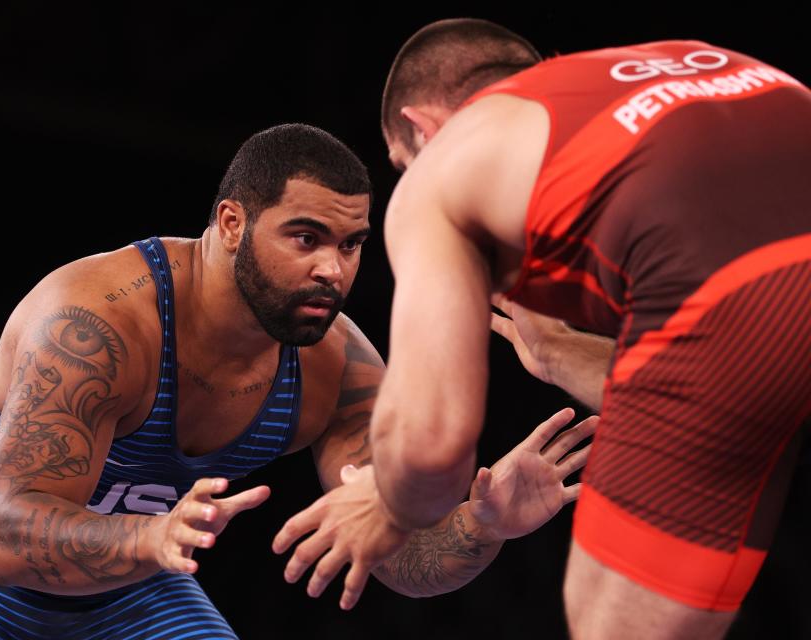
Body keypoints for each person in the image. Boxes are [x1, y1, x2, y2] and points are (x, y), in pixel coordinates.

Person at [0, 123, 594, 639]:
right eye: (305, 238)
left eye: (351, 245)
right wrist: (151, 537)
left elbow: (397, 555)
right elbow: (6, 537)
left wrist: (481, 528)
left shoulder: (336, 366)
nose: (332, 270)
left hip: (129, 579)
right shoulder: (101, 321)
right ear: (233, 224)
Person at [274, 18, 811, 639]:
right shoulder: (687, 60)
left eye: (402, 163)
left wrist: (387, 502)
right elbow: (749, 371)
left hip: (730, 306)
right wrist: (558, 355)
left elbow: (434, 448)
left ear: (422, 128)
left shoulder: (445, 161)